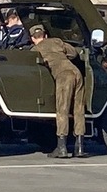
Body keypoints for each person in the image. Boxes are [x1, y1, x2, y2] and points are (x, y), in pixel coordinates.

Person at [29, 24, 88, 159]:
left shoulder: (35, 49)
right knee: (79, 109)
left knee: (63, 110)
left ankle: (61, 147)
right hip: (76, 72)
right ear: (45, 35)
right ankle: (80, 147)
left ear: (33, 38)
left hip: (63, 76)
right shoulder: (56, 41)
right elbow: (73, 53)